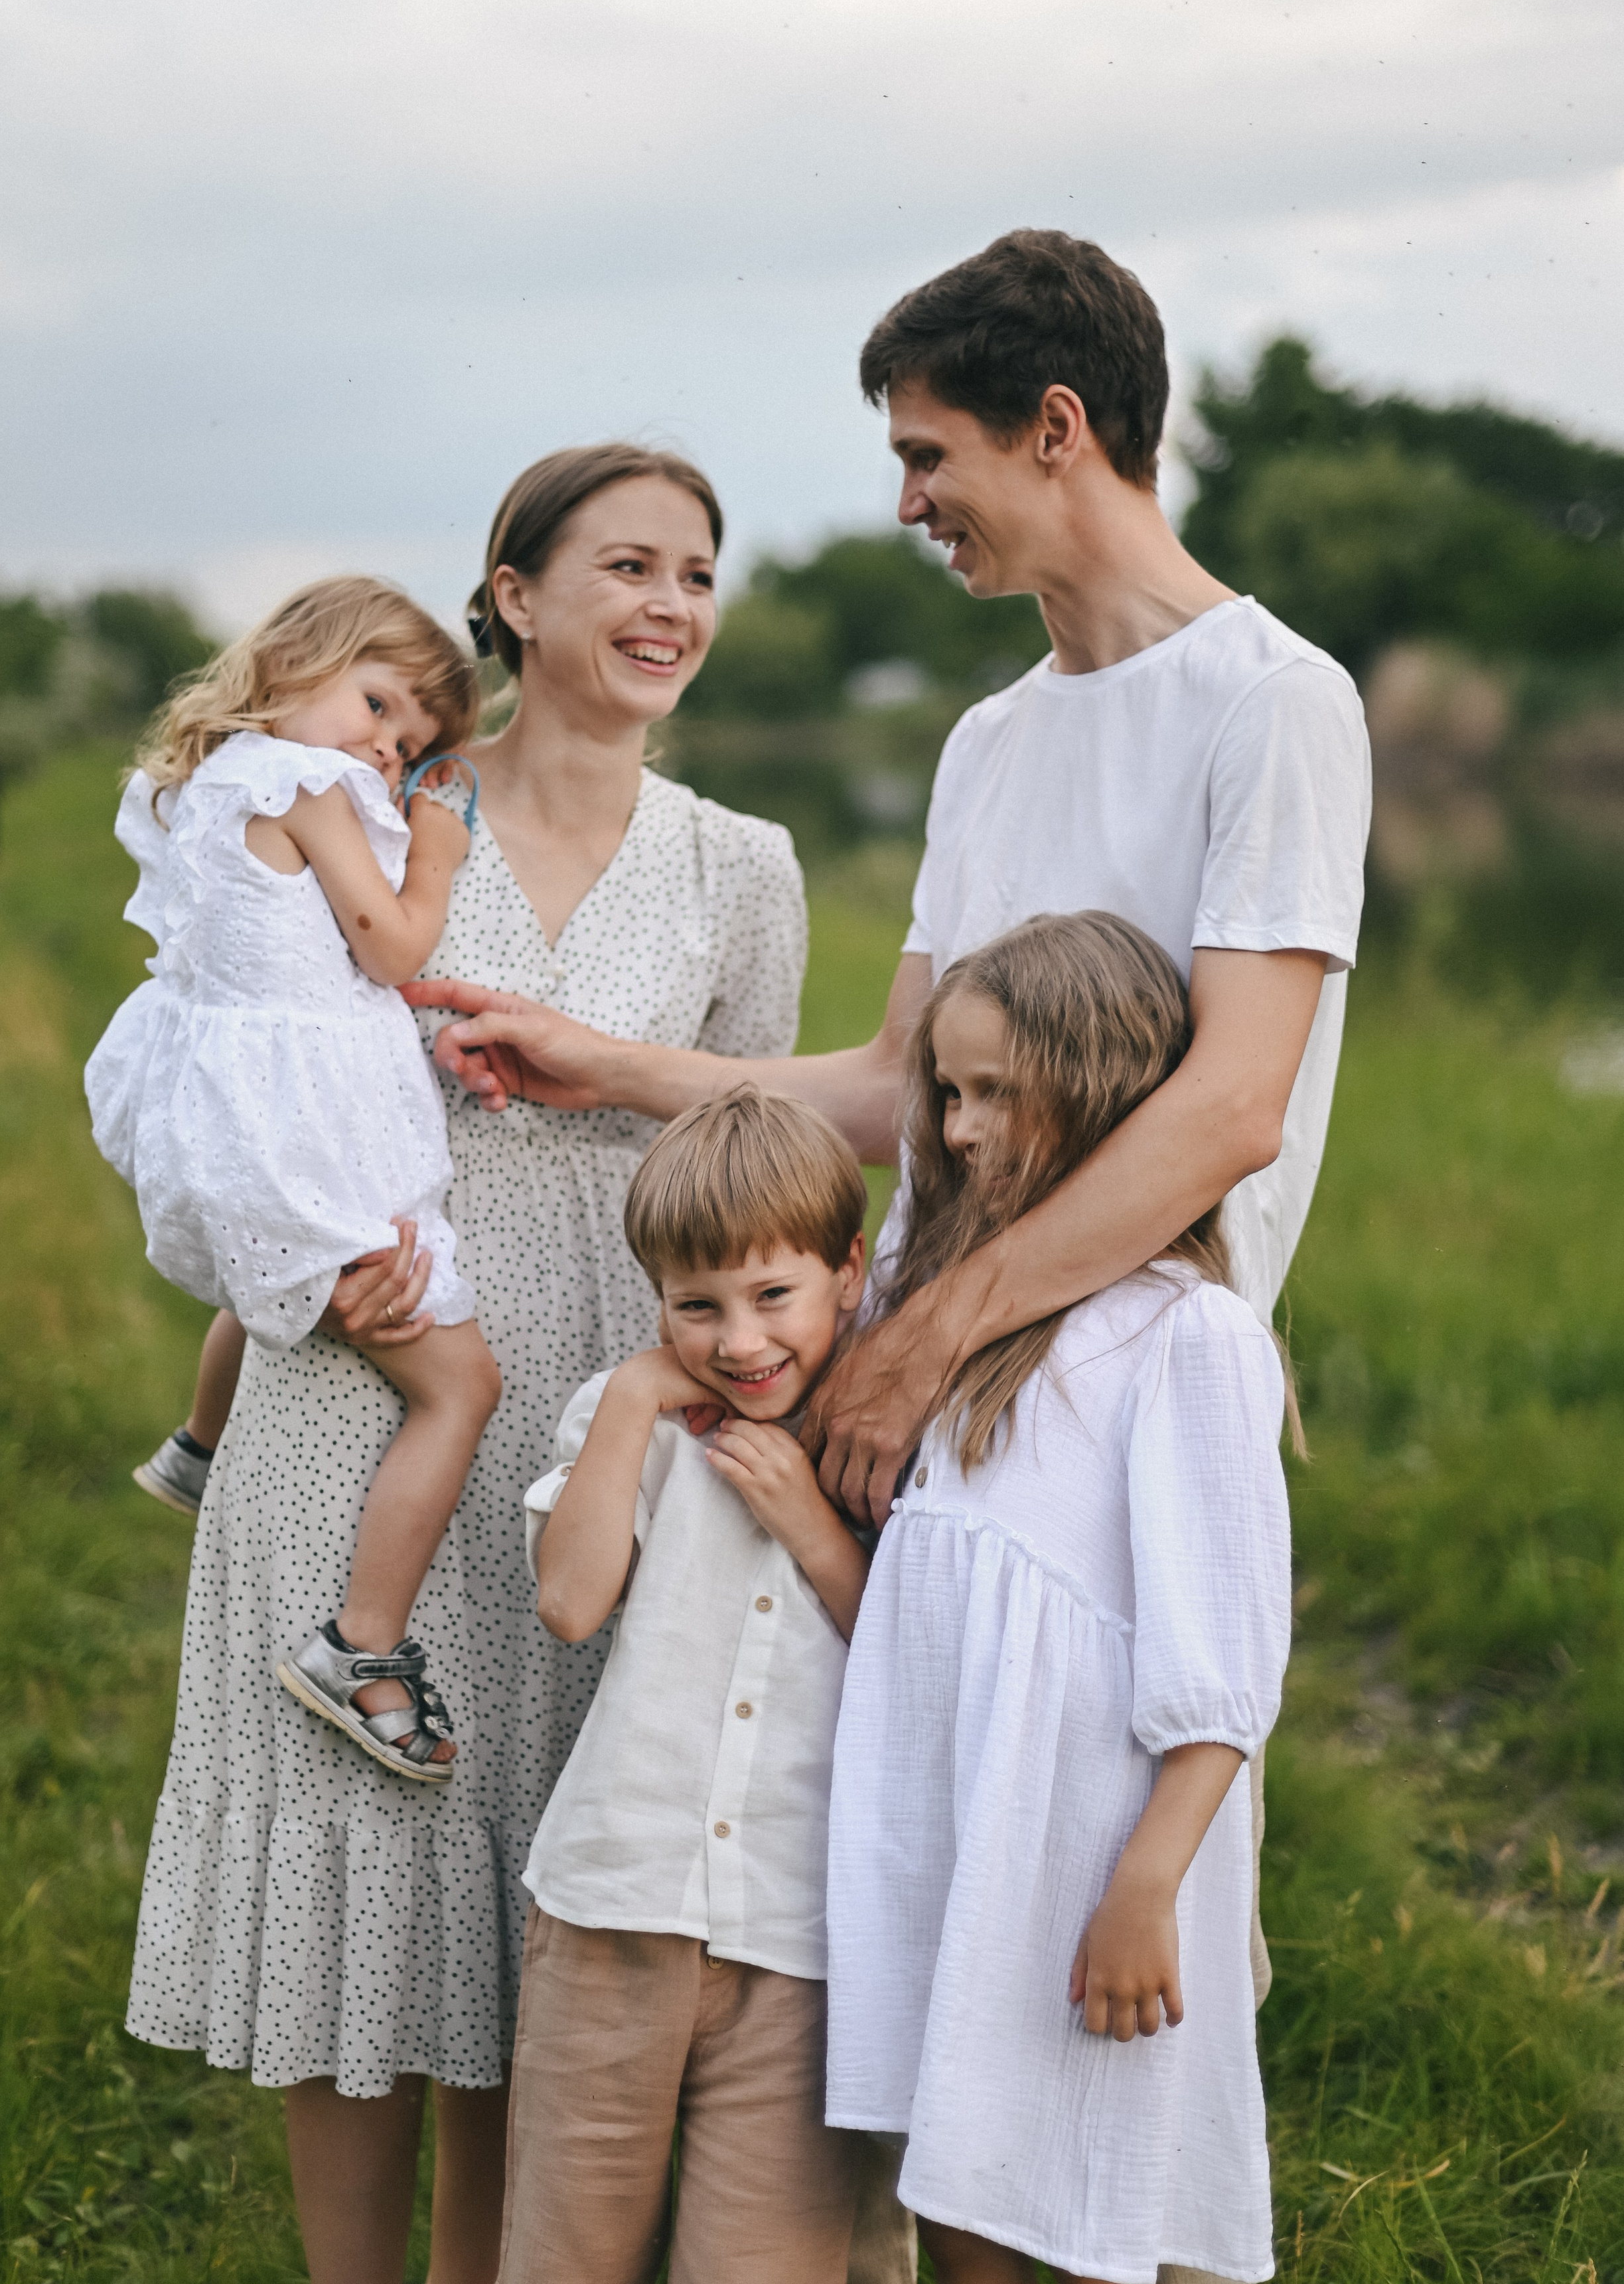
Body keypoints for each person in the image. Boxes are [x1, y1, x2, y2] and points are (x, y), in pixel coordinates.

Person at [408, 228, 1371, 2051]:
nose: (910, 499)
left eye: (930, 453)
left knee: (1127, 1955)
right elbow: (894, 1090)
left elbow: (1235, 1105)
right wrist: (602, 1065)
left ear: (1058, 429)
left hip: (1112, 1404)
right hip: (932, 1415)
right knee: (943, 1937)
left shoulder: (1276, 701)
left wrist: (924, 1337)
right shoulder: (993, 741)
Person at [122, 445, 810, 2284]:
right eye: (627, 566)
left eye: (698, 573)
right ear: (511, 594)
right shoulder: (359, 799)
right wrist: (278, 1251)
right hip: (373, 1379)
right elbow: (200, 1053)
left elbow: (769, 1196)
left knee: (550, 1904)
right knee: (366, 1878)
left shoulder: (746, 870)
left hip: (610, 1409)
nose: (672, 605)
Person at [827, 912, 1292, 2283]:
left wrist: (1147, 1878)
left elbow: (1221, 1651)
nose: (958, 1132)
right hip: (961, 1838)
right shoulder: (952, 1324)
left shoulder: (1181, 1333)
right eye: (948, 1094)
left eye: (995, 1096)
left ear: (1097, 1088)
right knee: (963, 2168)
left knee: (1097, 2185)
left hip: (1088, 1855)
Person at [86, 576, 502, 1776]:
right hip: (297, 1131)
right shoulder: (307, 784)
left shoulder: (194, 785)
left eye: (409, 745)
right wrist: (437, 849)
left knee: (257, 1265)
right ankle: (361, 1647)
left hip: (234, 1121)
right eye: (379, 706)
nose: (385, 748)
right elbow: (393, 947)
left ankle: (198, 1444)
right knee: (460, 1386)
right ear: (298, 659)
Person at [502, 1085, 874, 2283]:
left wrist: (812, 1525)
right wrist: (627, 1400)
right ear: (657, 1300)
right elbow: (569, 1604)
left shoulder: (883, 1440)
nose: (739, 1340)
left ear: (850, 1273)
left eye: (775, 1296)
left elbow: (913, 1658)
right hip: (618, 1902)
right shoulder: (641, 1426)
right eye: (696, 1307)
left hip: (796, 1936)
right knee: (568, 2254)